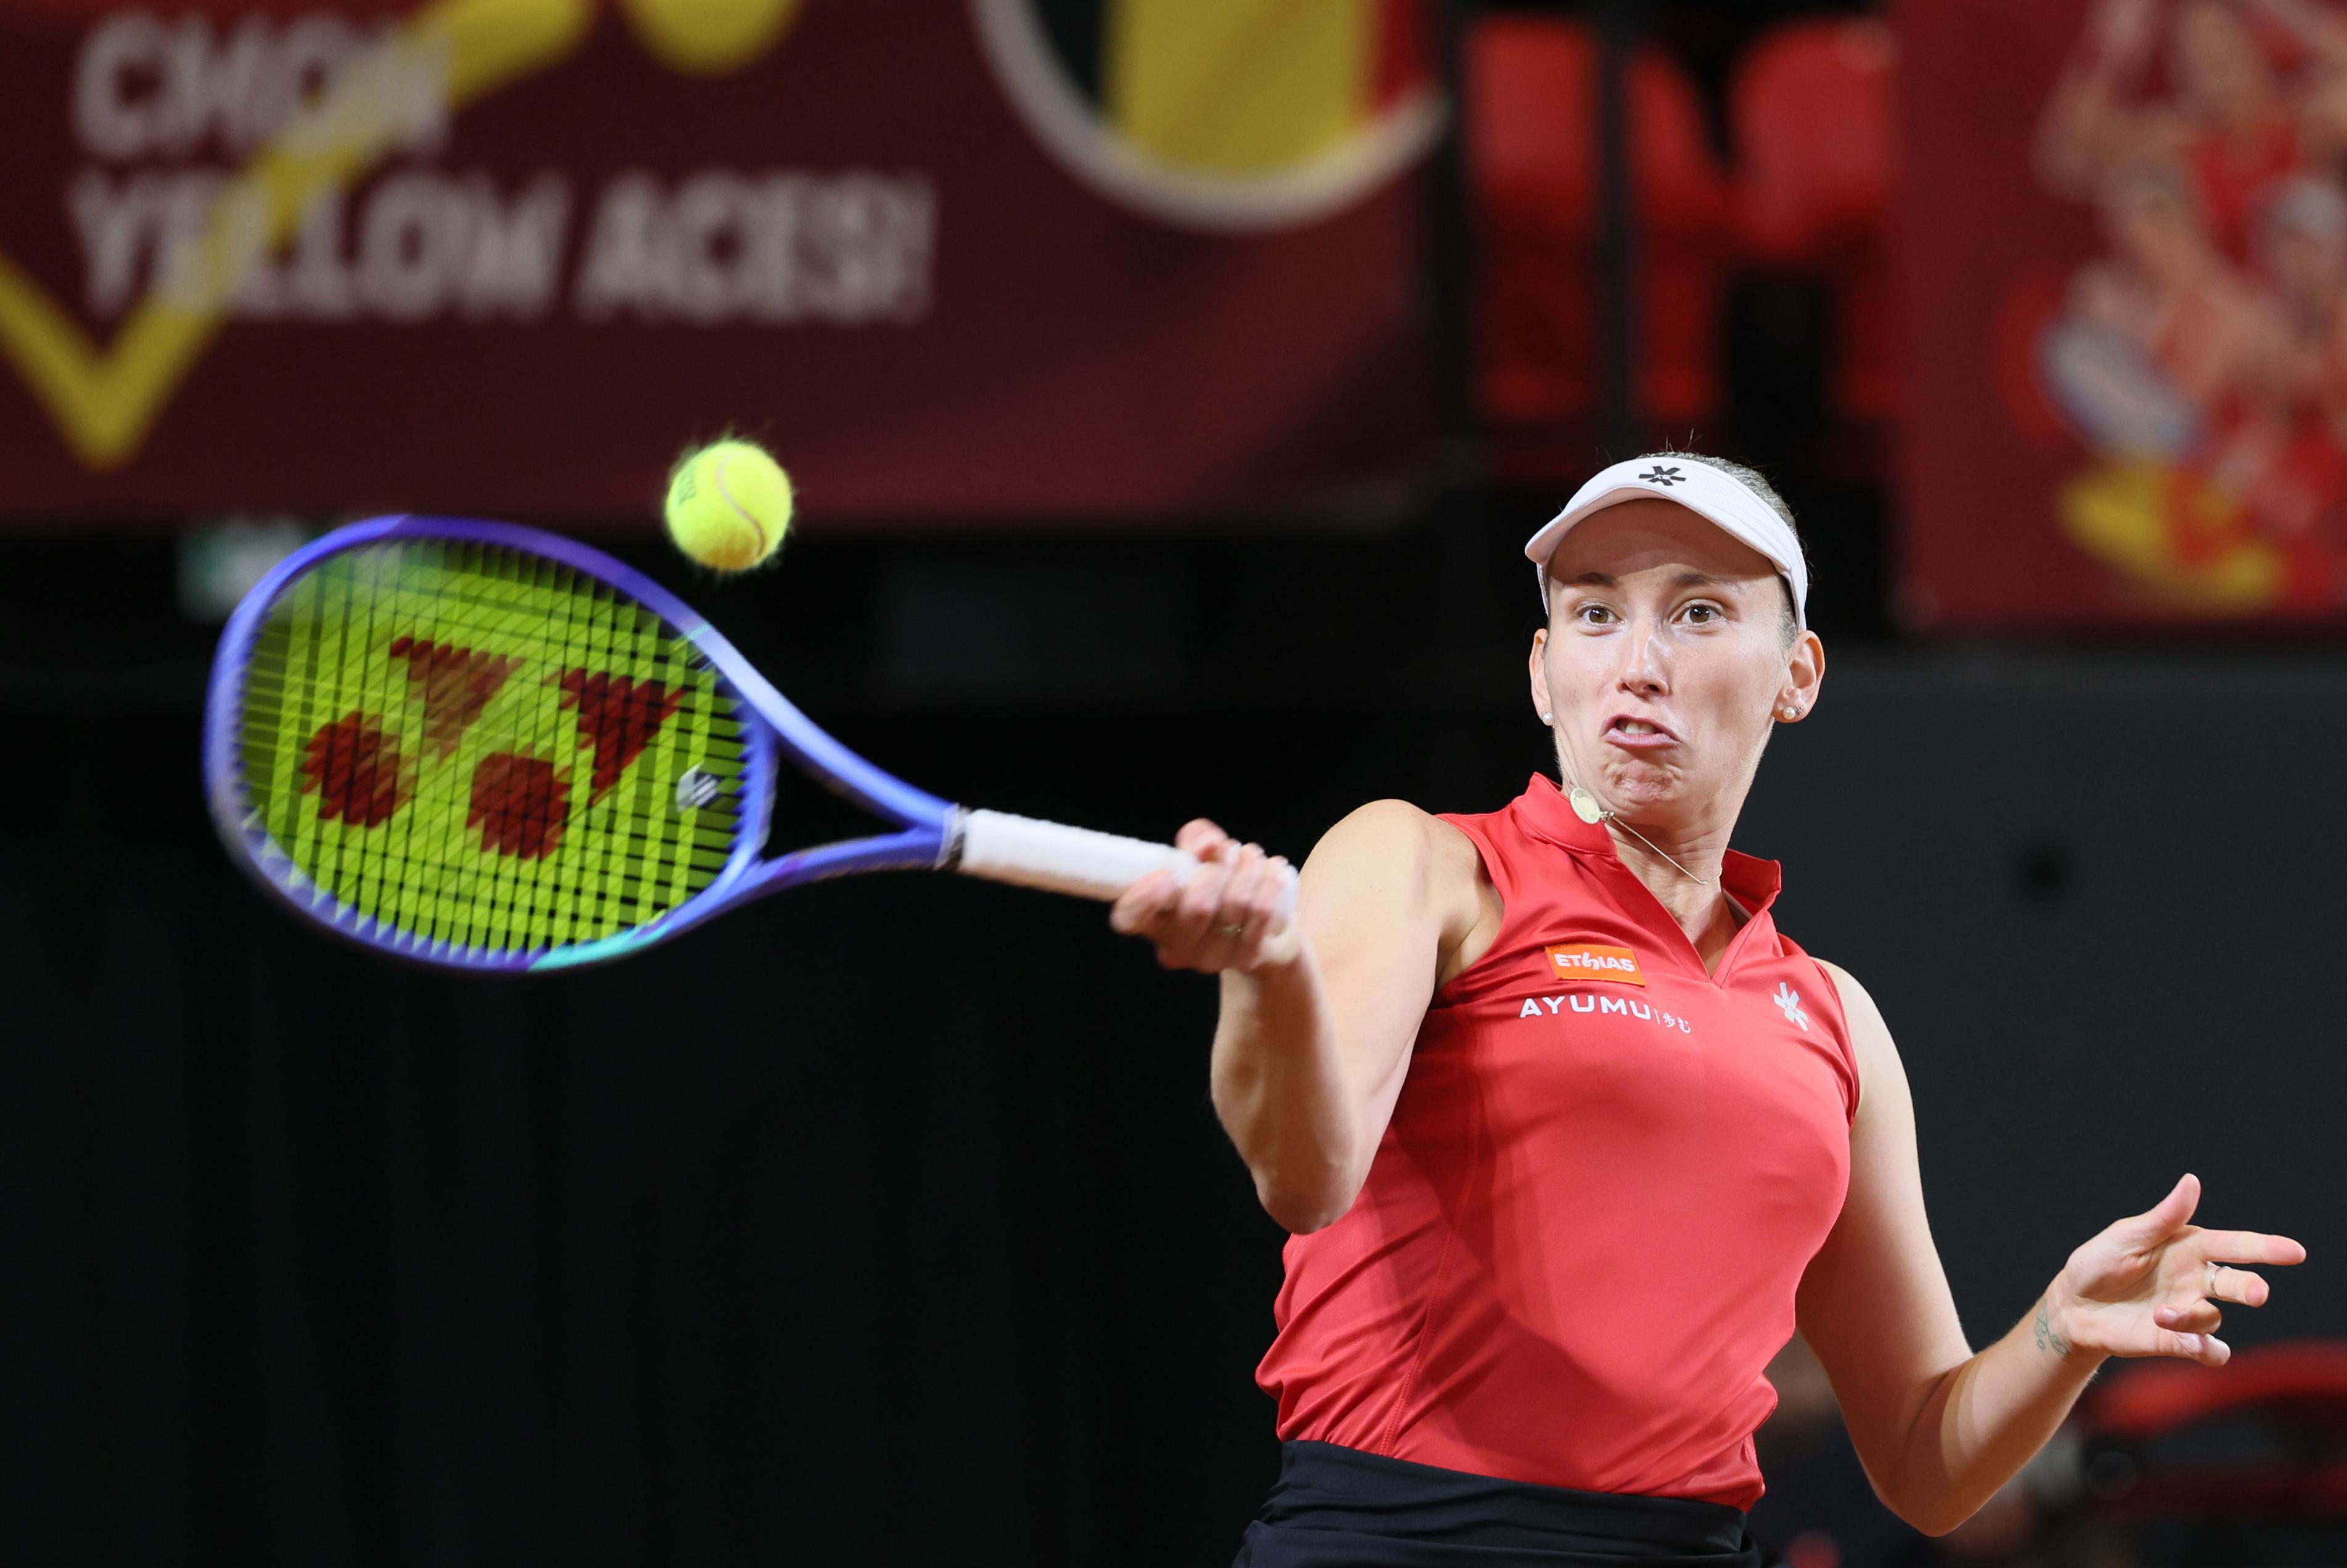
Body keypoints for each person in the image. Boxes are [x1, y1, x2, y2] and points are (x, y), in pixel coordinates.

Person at [1109, 454, 2308, 1567]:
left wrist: (2058, 1328)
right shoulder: (1421, 865)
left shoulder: (1831, 1020)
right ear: (1540, 670)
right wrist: (1264, 979)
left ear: (1796, 675)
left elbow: (1926, 1465)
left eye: (1695, 611)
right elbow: (1302, 1174)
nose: (1636, 660)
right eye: (1593, 611)